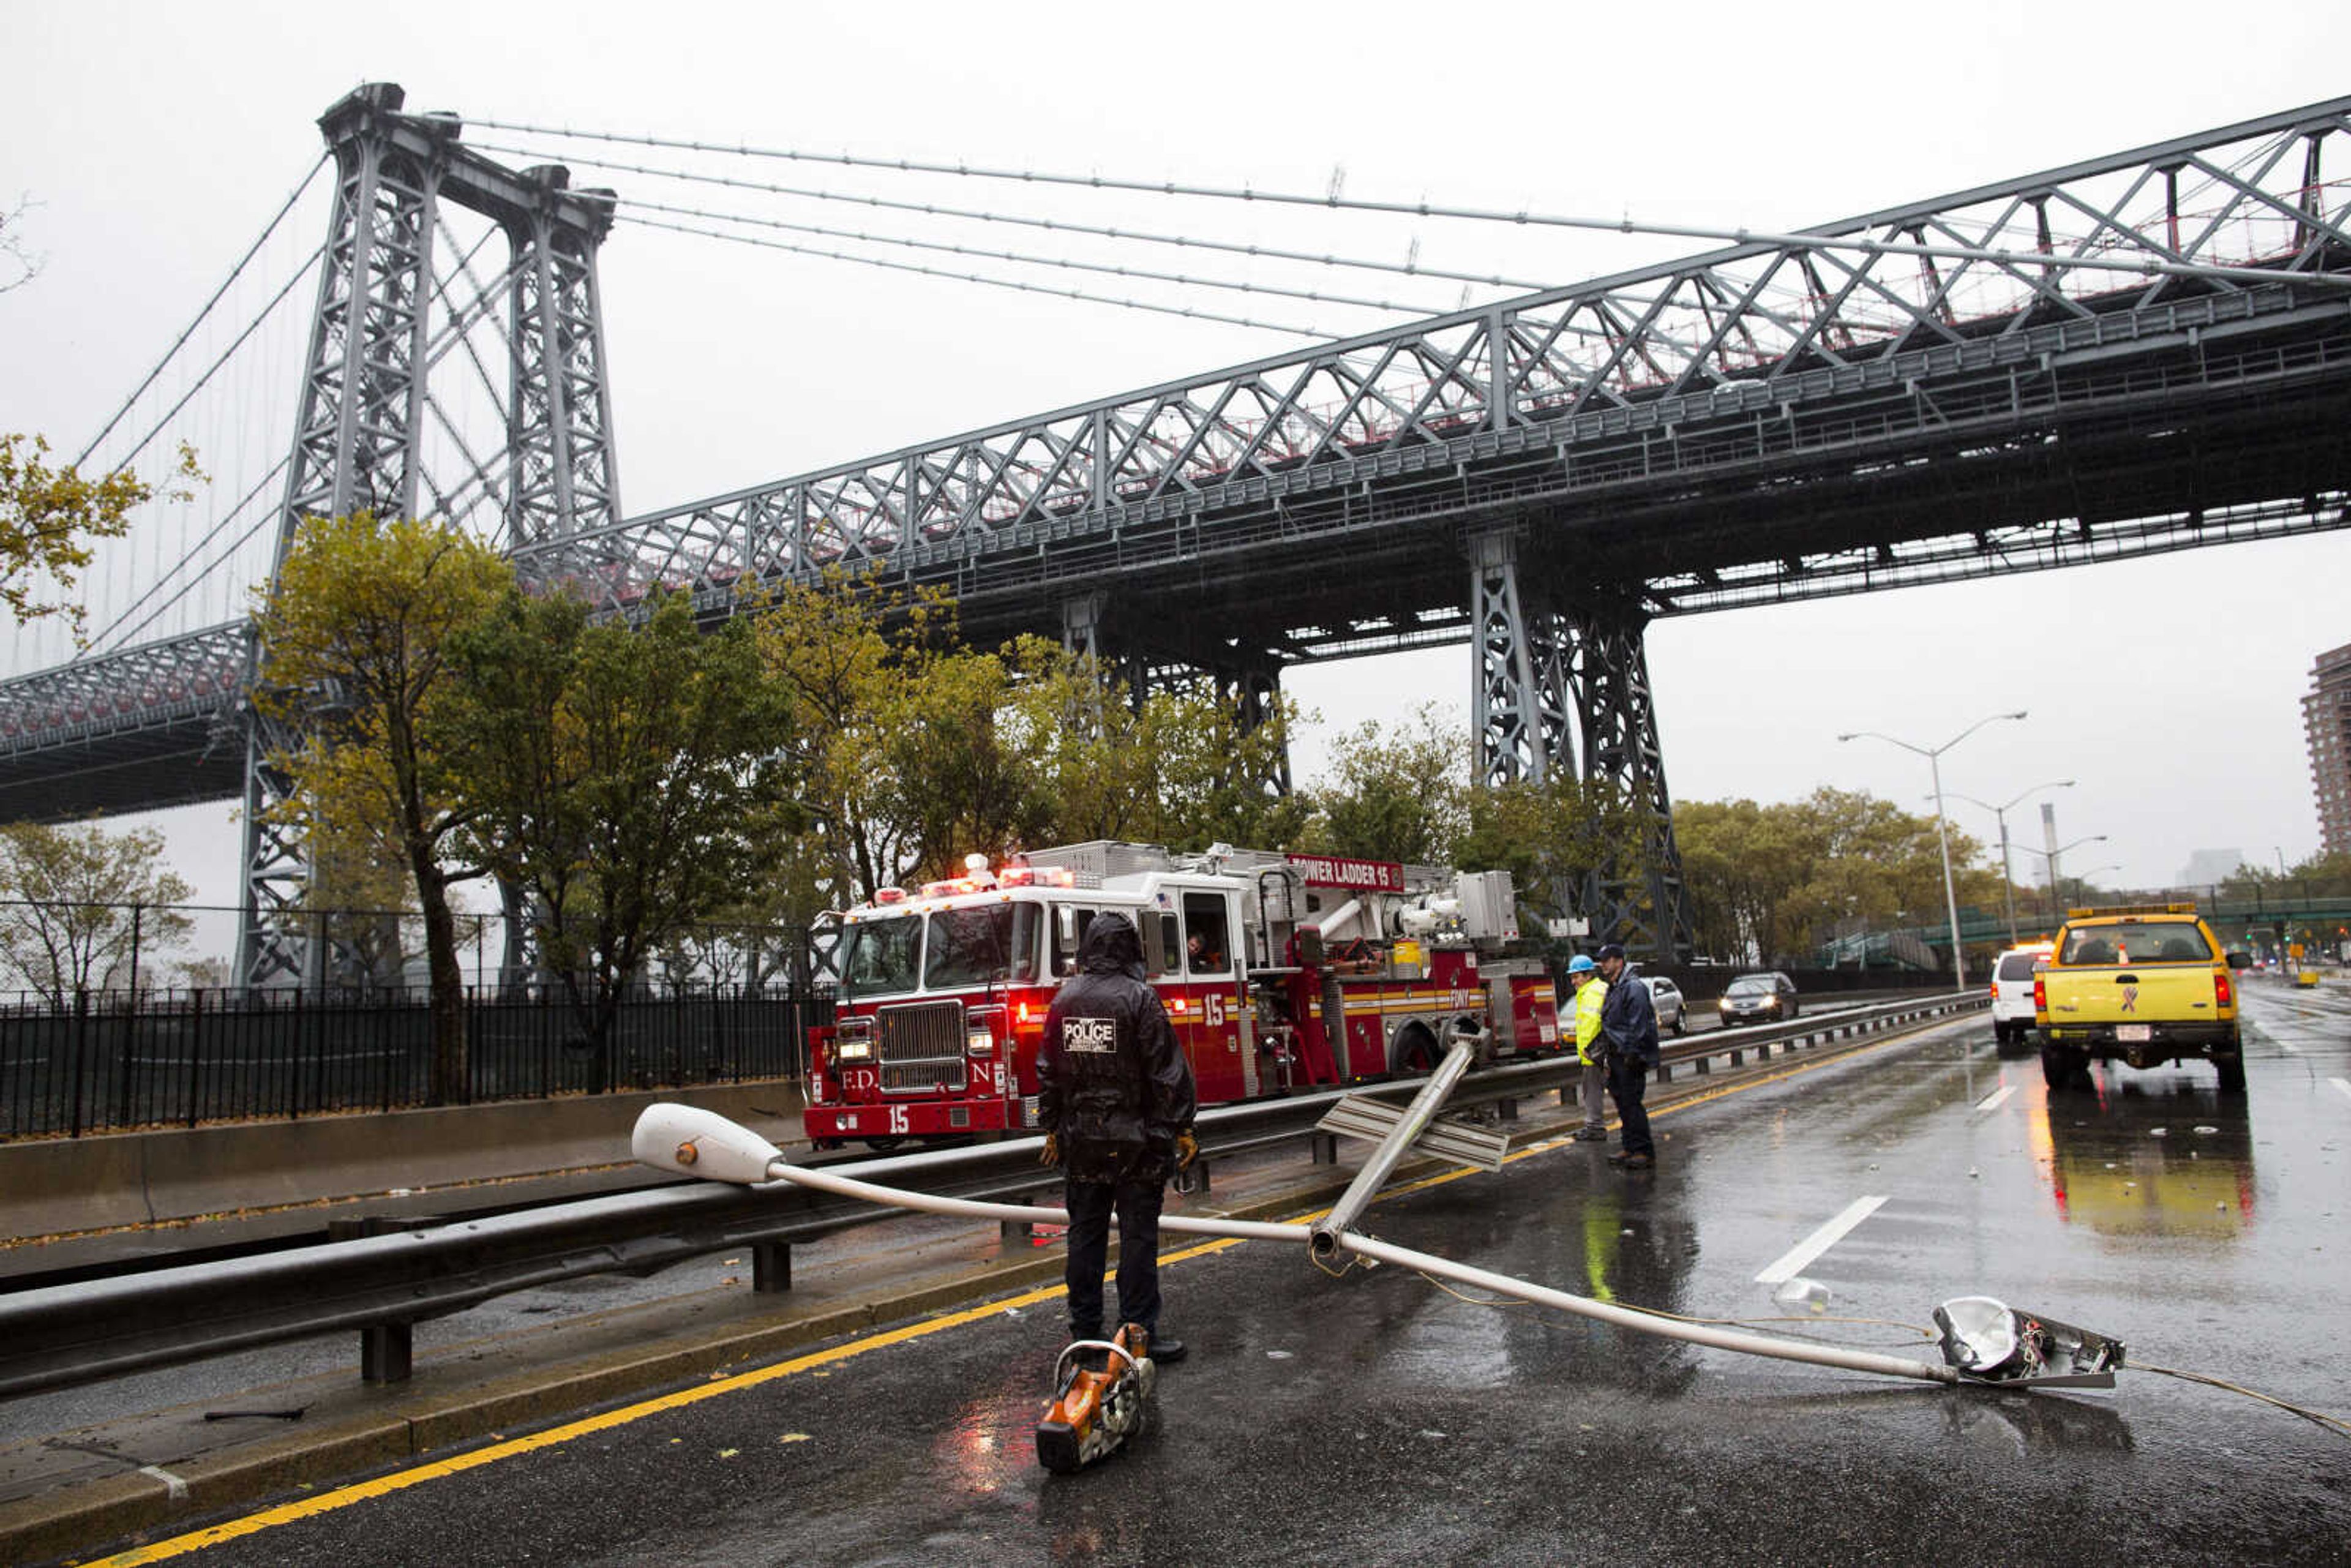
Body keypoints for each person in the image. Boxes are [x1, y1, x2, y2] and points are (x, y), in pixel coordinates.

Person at [1040, 910, 1199, 1364]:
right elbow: (1167, 1073)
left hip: (1082, 1141)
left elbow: (1047, 1072)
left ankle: (1084, 1334)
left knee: (1084, 1237)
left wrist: (1050, 1126)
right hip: (1137, 1143)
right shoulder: (1140, 999)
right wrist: (1183, 1128)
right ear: (1130, 949)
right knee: (1137, 1239)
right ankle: (1136, 1332)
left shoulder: (1064, 1001)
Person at [1595, 943, 1659, 1170]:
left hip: (1628, 1056)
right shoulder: (1616, 987)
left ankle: (1643, 1150)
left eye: (1606, 960)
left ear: (1618, 961)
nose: (1602, 965)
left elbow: (1639, 1023)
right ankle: (1630, 1146)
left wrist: (1633, 1054)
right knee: (1623, 1103)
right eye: (1601, 961)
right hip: (1617, 1055)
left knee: (1632, 1104)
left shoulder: (1632, 987)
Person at [1565, 954, 1609, 1141]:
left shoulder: (1591, 993)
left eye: (1577, 977)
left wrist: (1591, 1052)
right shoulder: (1599, 989)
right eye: (1572, 977)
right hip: (1602, 1052)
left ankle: (1595, 1127)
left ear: (1588, 975)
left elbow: (1593, 1023)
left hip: (1594, 1054)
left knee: (1592, 1092)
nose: (1573, 981)